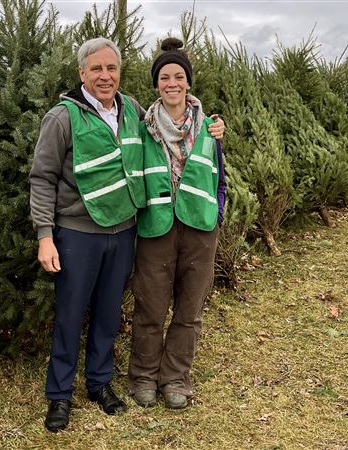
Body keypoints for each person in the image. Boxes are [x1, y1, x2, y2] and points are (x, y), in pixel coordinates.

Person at [29, 37, 224, 432]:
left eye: (112, 68)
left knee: (107, 313)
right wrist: (45, 235)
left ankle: (100, 385)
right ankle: (59, 396)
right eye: (96, 69)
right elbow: (42, 177)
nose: (105, 76)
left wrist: (214, 125)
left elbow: (178, 110)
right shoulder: (63, 117)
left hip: (123, 231)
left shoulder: (133, 110)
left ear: (120, 73)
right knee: (70, 315)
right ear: (81, 73)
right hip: (77, 233)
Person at [127, 37, 226, 410]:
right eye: (165, 76)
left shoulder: (210, 127)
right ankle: (143, 377)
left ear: (188, 82)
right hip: (156, 228)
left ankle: (175, 378)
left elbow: (220, 175)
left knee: (189, 310)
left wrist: (217, 211)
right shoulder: (142, 127)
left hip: (200, 230)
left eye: (179, 76)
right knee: (150, 308)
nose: (172, 83)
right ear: (156, 84)